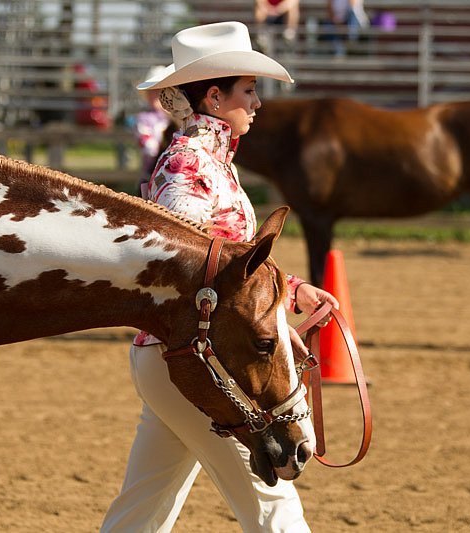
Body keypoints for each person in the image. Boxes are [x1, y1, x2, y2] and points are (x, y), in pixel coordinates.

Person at [101, 21, 338, 533]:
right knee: (273, 503)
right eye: (248, 91)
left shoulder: (210, 162)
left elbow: (231, 263)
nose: (257, 103)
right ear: (213, 96)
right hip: (195, 359)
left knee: (143, 508)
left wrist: (290, 292)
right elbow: (183, 269)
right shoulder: (189, 165)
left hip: (176, 358)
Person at [131, 65, 174, 196]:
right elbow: (150, 148)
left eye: (160, 90)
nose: (154, 95)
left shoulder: (179, 118)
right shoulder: (144, 120)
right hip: (152, 177)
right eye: (152, 90)